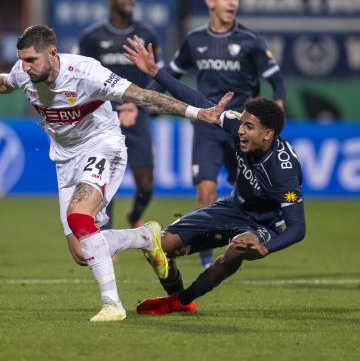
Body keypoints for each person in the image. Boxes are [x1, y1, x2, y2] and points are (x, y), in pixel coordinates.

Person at [0, 25, 232, 321]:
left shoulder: (86, 72)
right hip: (66, 161)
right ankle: (145, 237)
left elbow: (144, 97)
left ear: (52, 53)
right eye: (22, 60)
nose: (25, 67)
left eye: (31, 60)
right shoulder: (24, 72)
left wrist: (197, 113)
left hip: (103, 146)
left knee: (79, 215)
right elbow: (5, 81)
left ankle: (112, 305)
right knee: (82, 253)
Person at [124, 37, 305, 315]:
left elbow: (296, 228)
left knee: (238, 247)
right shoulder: (238, 130)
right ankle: (179, 300)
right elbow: (199, 101)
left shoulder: (283, 172)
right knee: (164, 245)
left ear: (268, 134)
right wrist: (155, 72)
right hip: (233, 206)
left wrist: (265, 248)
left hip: (262, 224)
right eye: (241, 123)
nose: (241, 131)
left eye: (249, 127)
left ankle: (182, 300)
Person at [162, 0, 286, 269]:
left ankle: (262, 227)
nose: (233, 2)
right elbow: (172, 74)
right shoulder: (194, 40)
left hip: (242, 130)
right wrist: (140, 100)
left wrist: (278, 102)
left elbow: (276, 79)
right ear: (210, 2)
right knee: (205, 189)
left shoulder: (250, 40)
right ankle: (205, 256)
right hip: (207, 126)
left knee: (247, 190)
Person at [77, 0, 161, 230]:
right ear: (110, 0)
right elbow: (83, 78)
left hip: (137, 115)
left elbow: (158, 73)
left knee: (146, 184)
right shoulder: (92, 37)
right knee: (104, 176)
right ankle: (104, 233)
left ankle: (135, 214)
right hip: (104, 118)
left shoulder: (146, 34)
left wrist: (142, 104)